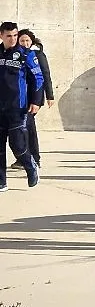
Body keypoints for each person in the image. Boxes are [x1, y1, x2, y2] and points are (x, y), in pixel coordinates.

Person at [0, 22, 43, 192]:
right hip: (0, 107)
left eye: (15, 35)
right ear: (1, 35)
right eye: (9, 36)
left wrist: (36, 101)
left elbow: (38, 78)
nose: (13, 39)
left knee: (17, 145)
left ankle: (31, 167)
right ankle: (1, 182)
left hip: (18, 108)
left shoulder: (26, 54)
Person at [9, 29, 53, 169]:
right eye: (22, 41)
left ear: (32, 42)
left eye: (27, 40)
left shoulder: (37, 55)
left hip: (33, 97)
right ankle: (22, 159)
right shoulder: (14, 55)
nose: (25, 43)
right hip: (18, 98)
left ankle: (34, 158)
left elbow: (44, 76)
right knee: (18, 130)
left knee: (28, 127)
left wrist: (49, 96)